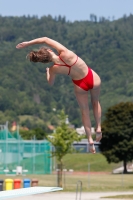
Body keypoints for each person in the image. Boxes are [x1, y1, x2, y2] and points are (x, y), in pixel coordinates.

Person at [16, 37, 102, 153]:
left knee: (84, 111)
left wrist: (48, 72)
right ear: (50, 51)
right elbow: (45, 39)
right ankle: (98, 127)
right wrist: (28, 43)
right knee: (95, 102)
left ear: (46, 61)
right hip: (91, 77)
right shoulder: (65, 52)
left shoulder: (53, 69)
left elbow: (50, 83)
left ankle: (90, 139)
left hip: (79, 85)